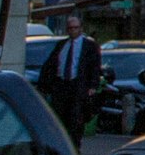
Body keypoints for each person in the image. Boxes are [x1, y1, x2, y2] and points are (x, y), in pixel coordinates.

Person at [37, 14, 105, 142]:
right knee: (60, 118)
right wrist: (46, 85)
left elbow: (95, 66)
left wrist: (92, 86)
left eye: (75, 27)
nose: (73, 30)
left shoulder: (89, 46)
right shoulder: (62, 45)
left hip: (78, 86)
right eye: (70, 28)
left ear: (81, 28)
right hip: (62, 86)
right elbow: (51, 65)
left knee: (76, 119)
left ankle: (74, 145)